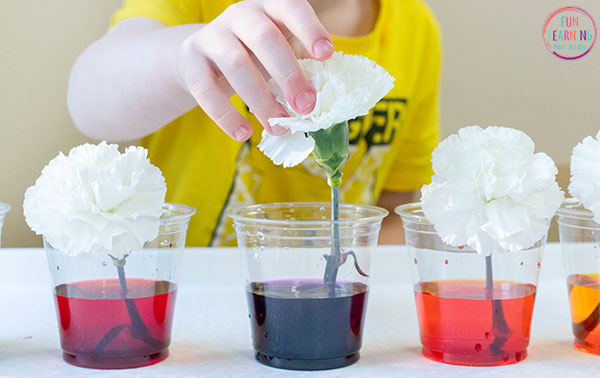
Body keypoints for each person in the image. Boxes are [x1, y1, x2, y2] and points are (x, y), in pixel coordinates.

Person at [67, 0, 441, 246]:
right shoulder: (195, 7)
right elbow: (87, 99)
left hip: (329, 300)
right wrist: (185, 58)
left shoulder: (415, 28)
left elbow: (394, 209)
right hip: (188, 295)